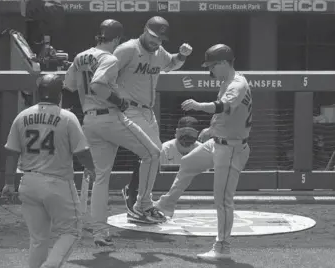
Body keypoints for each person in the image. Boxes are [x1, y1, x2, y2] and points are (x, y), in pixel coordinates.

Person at [63, 19, 165, 247]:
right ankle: (141, 205)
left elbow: (69, 85)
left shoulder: (80, 56)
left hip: (89, 120)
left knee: (101, 178)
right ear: (117, 38)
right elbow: (98, 86)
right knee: (153, 153)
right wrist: (118, 100)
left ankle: (100, 232)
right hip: (111, 117)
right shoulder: (109, 58)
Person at [153, 44, 252, 261]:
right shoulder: (227, 80)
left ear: (224, 63)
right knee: (188, 163)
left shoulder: (237, 83)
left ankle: (222, 248)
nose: (210, 72)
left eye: (212, 66)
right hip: (218, 142)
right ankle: (165, 206)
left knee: (223, 200)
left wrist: (198, 106)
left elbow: (222, 107)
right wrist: (211, 129)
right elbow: (229, 115)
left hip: (232, 148)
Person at [1, 73, 96, 268]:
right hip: (57, 183)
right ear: (58, 94)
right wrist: (93, 169)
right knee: (72, 231)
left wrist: (9, 183)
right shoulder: (67, 118)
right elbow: (82, 152)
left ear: (38, 92)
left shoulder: (22, 116)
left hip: (28, 183)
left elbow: (11, 153)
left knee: (38, 239)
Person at [115, 16, 193, 219]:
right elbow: (107, 75)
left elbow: (171, 64)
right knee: (152, 154)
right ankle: (141, 203)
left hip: (147, 111)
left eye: (160, 39)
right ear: (144, 30)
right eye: (153, 36)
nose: (156, 41)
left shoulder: (159, 53)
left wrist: (182, 56)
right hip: (128, 109)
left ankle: (136, 195)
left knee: (153, 155)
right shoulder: (127, 49)